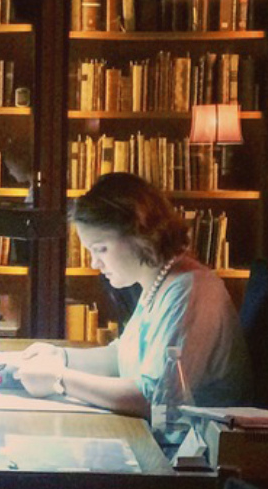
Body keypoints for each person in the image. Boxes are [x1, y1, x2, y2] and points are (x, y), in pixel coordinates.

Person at [17, 171, 252, 417]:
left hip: (188, 447)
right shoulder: (158, 282)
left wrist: (60, 380)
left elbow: (152, 399)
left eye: (101, 249)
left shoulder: (189, 290)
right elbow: (123, 357)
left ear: (140, 235)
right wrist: (61, 356)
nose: (95, 263)